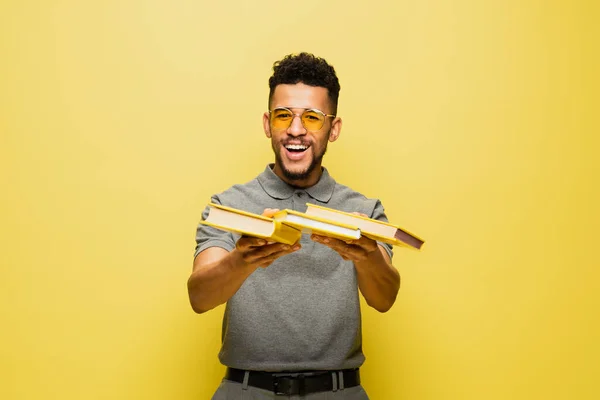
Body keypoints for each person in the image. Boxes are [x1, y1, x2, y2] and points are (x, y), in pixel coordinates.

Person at [188, 52, 400, 399]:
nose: (296, 130)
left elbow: (385, 298)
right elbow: (199, 296)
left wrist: (367, 256)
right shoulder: (229, 206)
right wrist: (243, 258)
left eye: (313, 118)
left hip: (338, 391)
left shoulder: (363, 210)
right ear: (267, 123)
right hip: (245, 391)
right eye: (283, 115)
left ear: (334, 129)